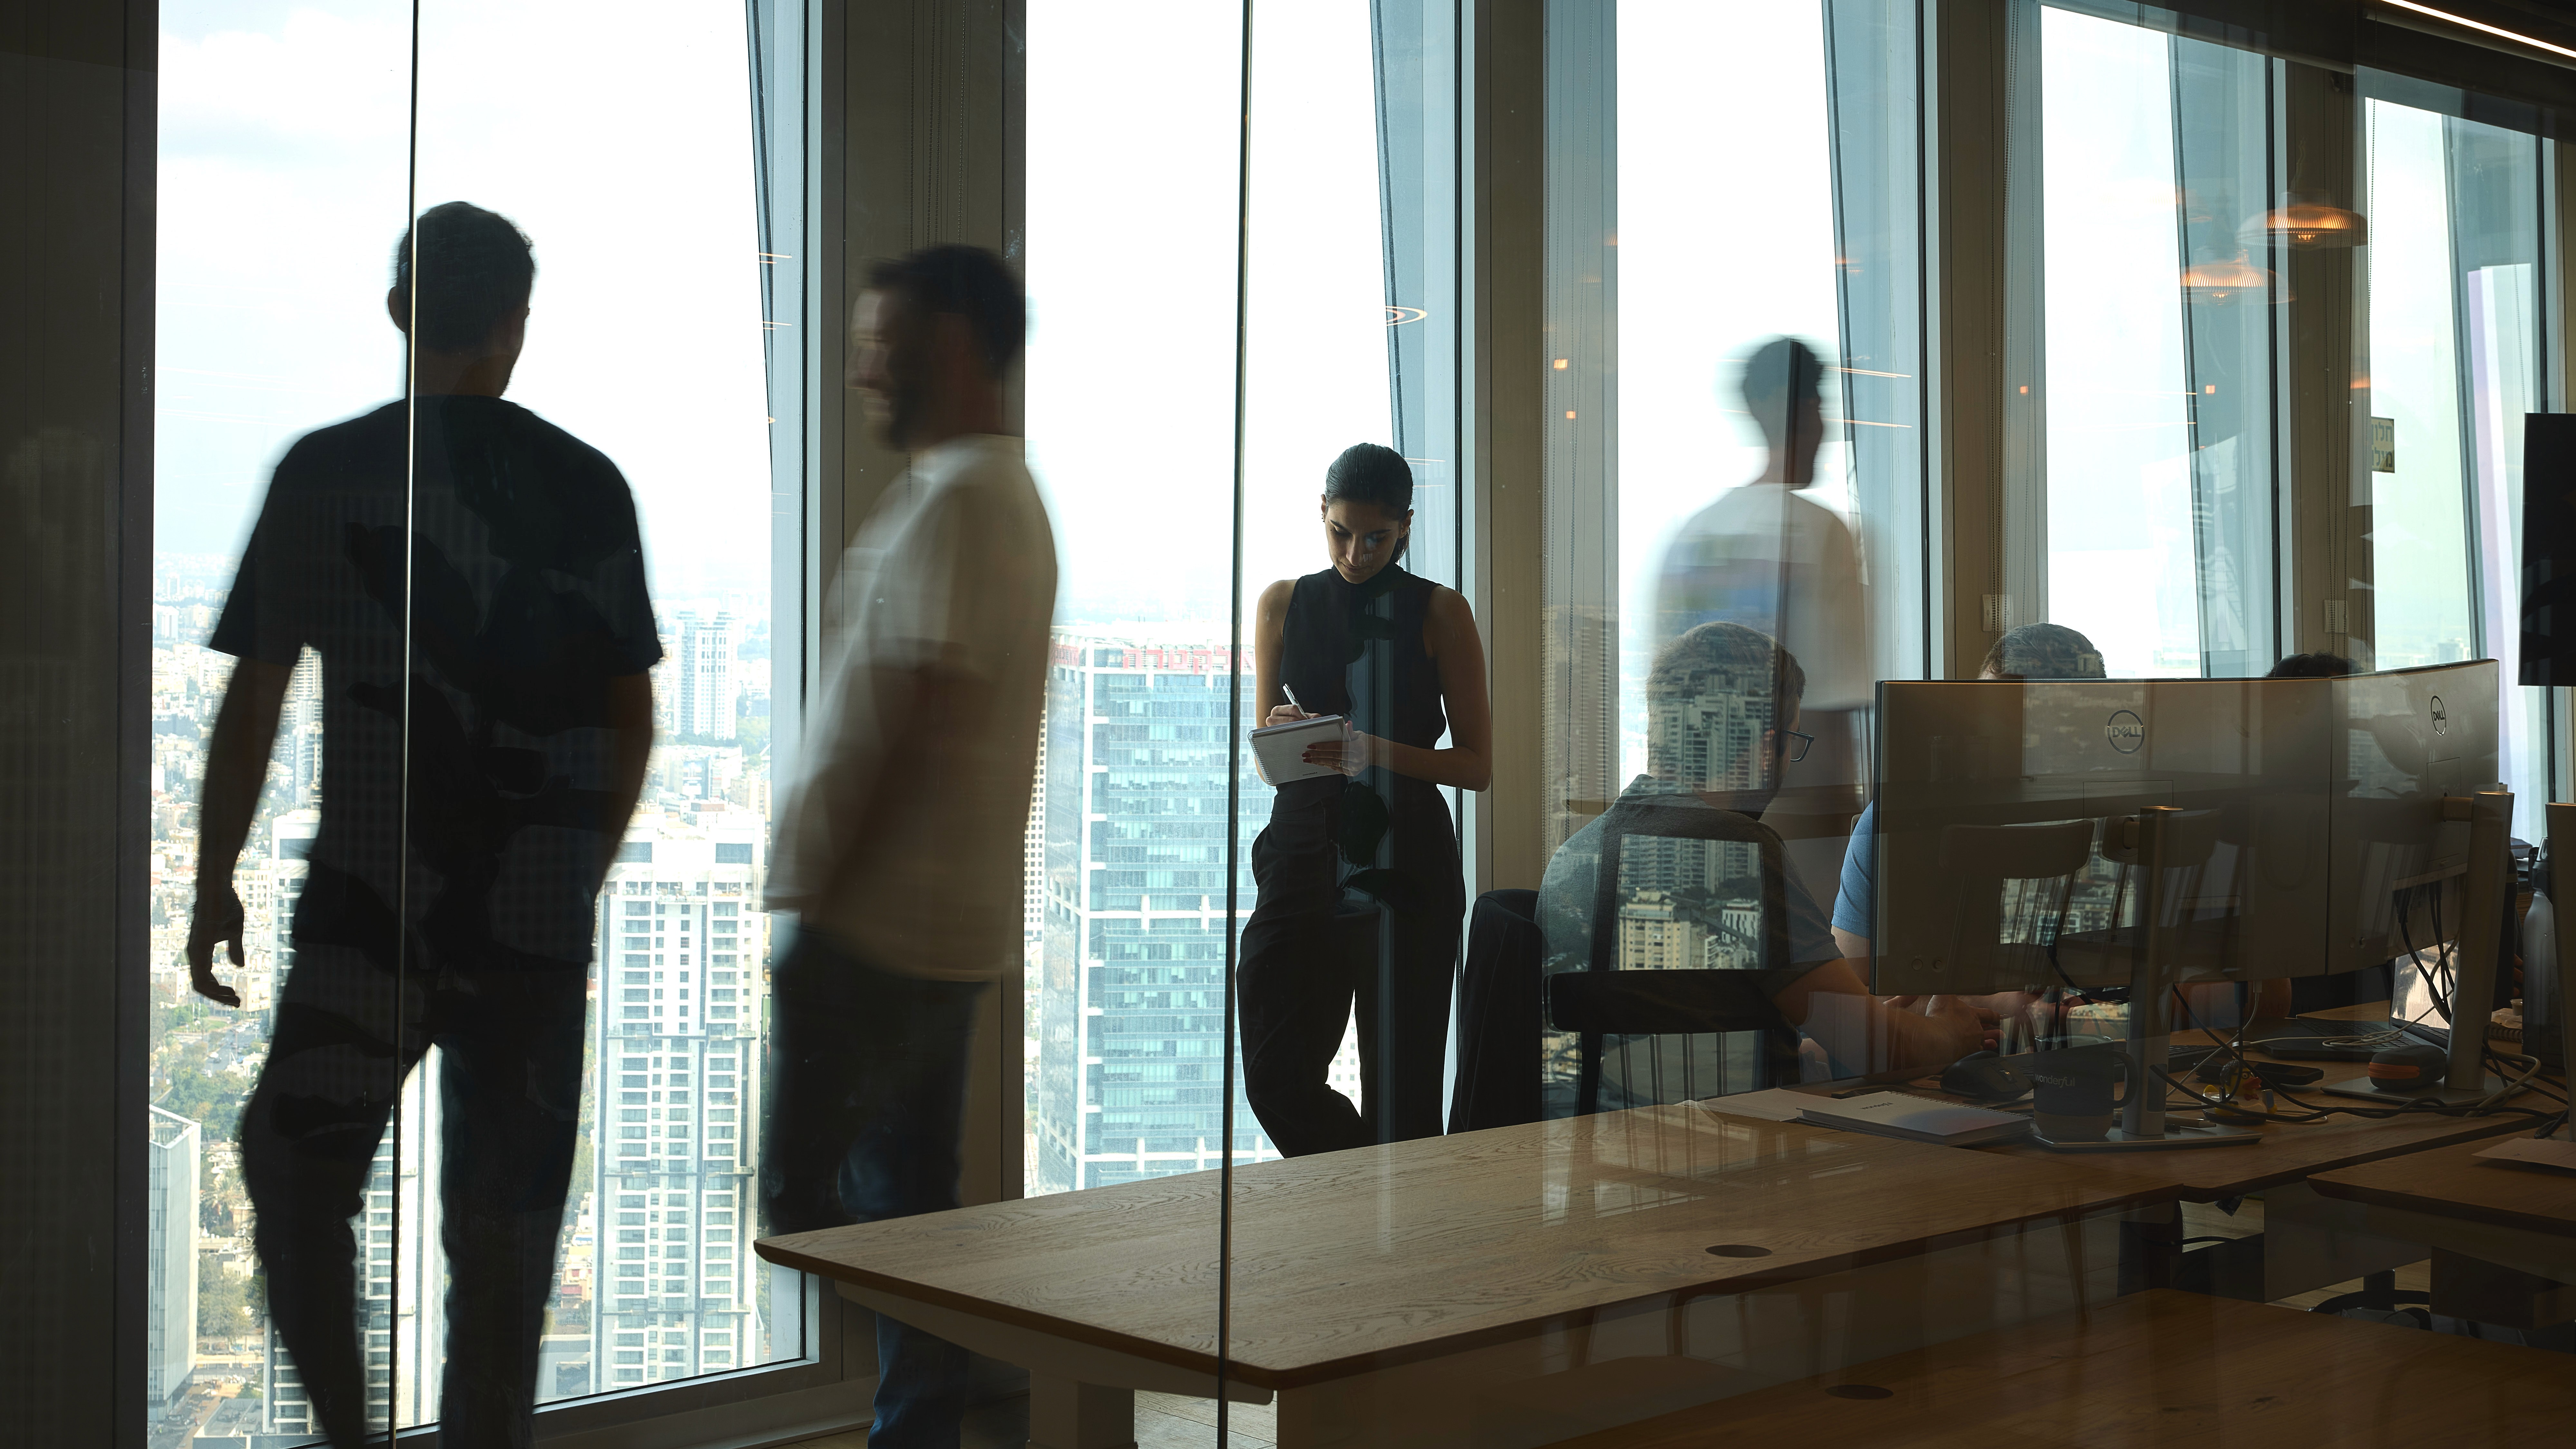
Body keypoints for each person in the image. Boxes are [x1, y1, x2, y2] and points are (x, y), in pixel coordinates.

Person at [186, 202, 661, 1449]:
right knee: (501, 1259)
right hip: (526, 928)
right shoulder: (586, 485)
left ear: (399, 308)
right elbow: (631, 719)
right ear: (517, 327)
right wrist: (576, 876)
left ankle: (347, 1432)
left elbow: (253, 699)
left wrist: (212, 880)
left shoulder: (324, 468)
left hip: (367, 908)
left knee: (294, 1177)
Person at [761, 245, 1056, 1449]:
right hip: (929, 929)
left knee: (809, 1204)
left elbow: (924, 712)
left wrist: (824, 898)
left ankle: (966, 1387)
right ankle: (944, 1404)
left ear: (948, 351)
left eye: (881, 342)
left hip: (880, 932)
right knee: (905, 1206)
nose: (862, 367)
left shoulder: (963, 499)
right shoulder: (975, 491)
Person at [1536, 621, 1984, 1109]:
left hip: (1605, 1154)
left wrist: (1816, 1041)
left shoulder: (1577, 853)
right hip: (1744, 1159)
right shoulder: (1737, 854)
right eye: (1792, 740)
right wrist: (1950, 1033)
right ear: (1766, 745)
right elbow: (1876, 1050)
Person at [1239, 442, 1492, 1156]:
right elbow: (1269, 761)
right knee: (1273, 1076)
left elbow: (1476, 766)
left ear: (1405, 526)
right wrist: (1280, 733)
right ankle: (1365, 1193)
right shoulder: (1281, 603)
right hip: (1297, 853)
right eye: (1341, 532)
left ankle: (1398, 1235)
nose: (1356, 552)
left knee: (1403, 1100)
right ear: (1321, 513)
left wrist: (1369, 749)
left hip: (1405, 861)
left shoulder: (1441, 611)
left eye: (1376, 536)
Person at [1830, 622, 2108, 963]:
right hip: (1960, 1010)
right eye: (1985, 709)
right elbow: (1857, 975)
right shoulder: (1900, 820)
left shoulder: (2121, 814)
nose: (1990, 730)